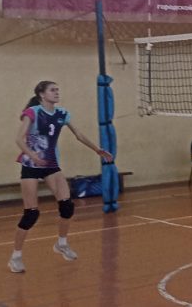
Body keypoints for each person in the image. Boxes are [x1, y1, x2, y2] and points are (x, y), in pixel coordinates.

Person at [9, 81, 114, 273]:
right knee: (31, 214)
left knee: (67, 206)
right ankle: (15, 256)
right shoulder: (33, 112)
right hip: (31, 165)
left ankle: (61, 244)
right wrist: (33, 156)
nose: (57, 92)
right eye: (53, 90)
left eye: (58, 89)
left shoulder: (62, 113)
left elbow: (79, 135)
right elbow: (18, 139)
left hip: (50, 164)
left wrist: (97, 149)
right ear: (42, 94)